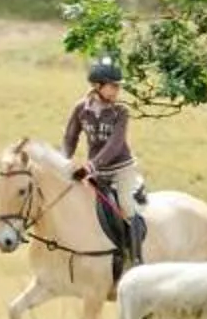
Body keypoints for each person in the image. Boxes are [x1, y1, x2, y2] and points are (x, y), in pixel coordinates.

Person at [61, 54, 148, 278]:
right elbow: (70, 137)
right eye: (113, 86)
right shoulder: (81, 109)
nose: (117, 90)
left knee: (127, 207)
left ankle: (135, 259)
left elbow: (115, 145)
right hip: (96, 174)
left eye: (118, 86)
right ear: (98, 86)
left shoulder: (121, 111)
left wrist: (91, 166)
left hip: (121, 170)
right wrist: (63, 161)